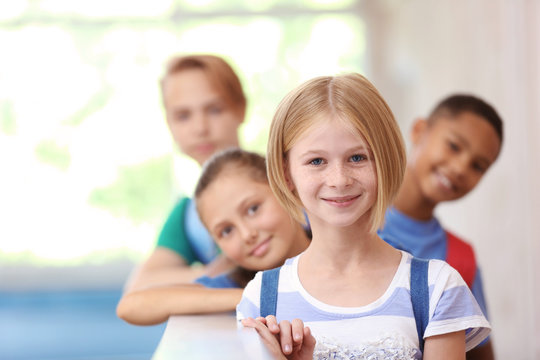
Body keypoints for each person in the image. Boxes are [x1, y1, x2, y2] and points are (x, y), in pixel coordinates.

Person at [238, 73, 491, 359]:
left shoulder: (438, 287)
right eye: (316, 161)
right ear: (287, 173)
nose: (339, 179)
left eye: (357, 157)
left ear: (384, 159)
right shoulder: (260, 298)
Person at [117, 148, 310, 325]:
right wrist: (254, 297)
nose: (246, 235)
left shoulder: (338, 252)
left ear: (284, 187)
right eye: (226, 231)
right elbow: (131, 307)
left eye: (253, 209)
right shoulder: (238, 284)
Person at [378, 94, 503, 360]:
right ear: (419, 130)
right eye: (454, 146)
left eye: (478, 166)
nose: (460, 168)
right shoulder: (338, 217)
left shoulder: (462, 261)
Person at [123, 54, 247, 292]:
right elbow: (138, 286)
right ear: (169, 124)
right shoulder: (188, 216)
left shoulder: (290, 187)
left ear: (240, 108)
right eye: (183, 116)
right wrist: (222, 273)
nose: (200, 128)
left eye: (214, 110)